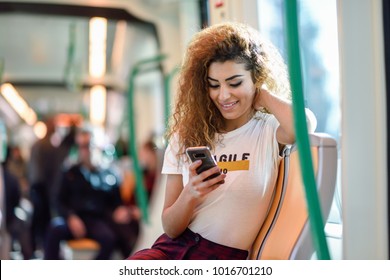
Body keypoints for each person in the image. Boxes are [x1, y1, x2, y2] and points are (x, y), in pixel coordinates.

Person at [127, 22, 315, 260]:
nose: (223, 95)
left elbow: (306, 125)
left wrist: (263, 95)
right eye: (214, 85)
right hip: (172, 249)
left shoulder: (267, 131)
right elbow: (171, 227)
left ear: (256, 79)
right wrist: (190, 193)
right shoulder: (185, 136)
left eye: (235, 83)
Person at [44, 128, 139, 259]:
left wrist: (121, 211)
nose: (85, 151)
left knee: (109, 239)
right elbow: (58, 200)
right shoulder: (70, 173)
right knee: (55, 228)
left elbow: (116, 201)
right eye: (81, 146)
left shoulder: (108, 174)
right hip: (75, 218)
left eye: (87, 145)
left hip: (97, 220)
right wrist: (70, 217)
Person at [27, 116, 75, 253]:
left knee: (38, 219)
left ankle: (34, 247)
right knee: (43, 219)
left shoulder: (39, 145)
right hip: (42, 188)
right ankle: (40, 248)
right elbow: (50, 172)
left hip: (37, 187)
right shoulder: (48, 146)